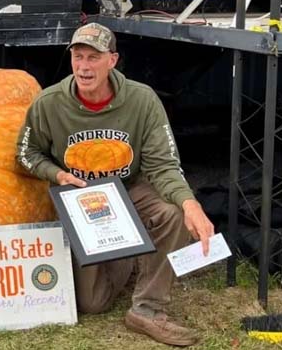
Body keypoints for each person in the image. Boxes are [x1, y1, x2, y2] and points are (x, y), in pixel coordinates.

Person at [16, 23, 214, 347]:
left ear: (113, 60)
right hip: (80, 198)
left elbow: (163, 165)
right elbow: (25, 153)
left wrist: (190, 203)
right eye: (78, 57)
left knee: (172, 213)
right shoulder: (49, 103)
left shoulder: (142, 100)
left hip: (129, 189)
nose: (84, 66)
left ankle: (147, 308)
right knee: (93, 303)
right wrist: (56, 174)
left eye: (93, 57)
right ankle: (129, 256)